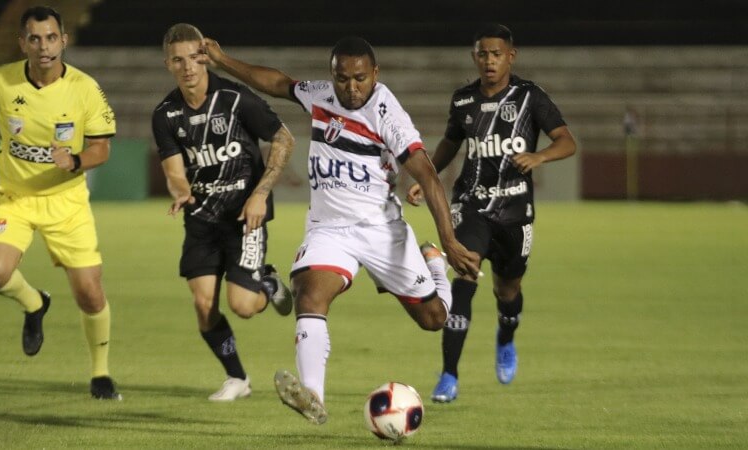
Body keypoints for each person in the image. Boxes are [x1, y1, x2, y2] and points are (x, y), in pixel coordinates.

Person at [202, 35, 482, 423]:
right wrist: (222, 60)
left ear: (375, 74)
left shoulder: (388, 114)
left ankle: (432, 262)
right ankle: (313, 397)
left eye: (360, 79)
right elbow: (278, 83)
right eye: (342, 79)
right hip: (329, 229)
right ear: (332, 76)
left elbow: (429, 177)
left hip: (381, 230)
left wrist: (449, 242)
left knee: (434, 319)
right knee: (310, 297)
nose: (351, 88)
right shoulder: (321, 96)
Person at [0, 6, 121, 400]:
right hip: (15, 197)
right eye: (35, 38)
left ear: (64, 40)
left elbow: (102, 148)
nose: (44, 46)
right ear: (22, 42)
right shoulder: (2, 80)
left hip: (66, 202)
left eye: (51, 37)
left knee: (90, 295)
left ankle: (100, 373)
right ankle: (34, 303)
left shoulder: (85, 89)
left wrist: (75, 160)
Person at [406, 23, 578, 401]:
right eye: (482, 54)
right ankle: (449, 376)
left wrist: (540, 155)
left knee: (507, 289)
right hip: (471, 205)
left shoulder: (530, 97)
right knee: (464, 279)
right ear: (474, 56)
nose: (489, 61)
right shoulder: (464, 101)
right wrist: (427, 175)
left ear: (510, 57)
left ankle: (506, 335)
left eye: (496, 54)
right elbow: (451, 143)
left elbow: (567, 141)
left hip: (516, 213)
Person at [152, 24, 296, 402]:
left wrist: (261, 194)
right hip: (201, 221)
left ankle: (266, 283)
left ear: (205, 57)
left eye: (195, 58)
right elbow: (173, 170)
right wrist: (181, 192)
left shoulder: (234, 98)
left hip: (244, 218)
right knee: (203, 305)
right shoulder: (166, 114)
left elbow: (283, 138)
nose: (188, 67)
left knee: (242, 306)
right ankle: (237, 378)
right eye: (178, 60)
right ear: (168, 64)